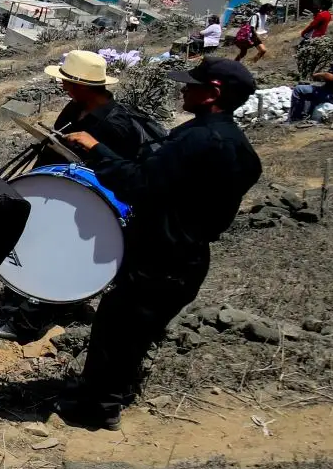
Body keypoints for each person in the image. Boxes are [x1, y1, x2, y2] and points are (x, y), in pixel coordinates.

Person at [57, 58, 262, 430]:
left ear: (212, 93)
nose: (183, 89)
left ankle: (98, 409)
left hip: (160, 258)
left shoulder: (199, 140)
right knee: (128, 333)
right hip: (187, 256)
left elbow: (139, 182)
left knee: (118, 333)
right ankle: (98, 392)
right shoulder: (237, 145)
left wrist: (96, 149)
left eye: (191, 85)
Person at [0, 52, 159, 343]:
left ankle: (27, 323)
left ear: (82, 86)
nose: (62, 86)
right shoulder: (74, 108)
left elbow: (125, 173)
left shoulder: (117, 125)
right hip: (56, 196)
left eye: (66, 82)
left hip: (85, 210)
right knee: (31, 249)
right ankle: (12, 308)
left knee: (57, 260)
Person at [290, 36, 333, 122]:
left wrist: (319, 74)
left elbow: (331, 77)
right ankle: (309, 114)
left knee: (299, 89)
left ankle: (294, 119)